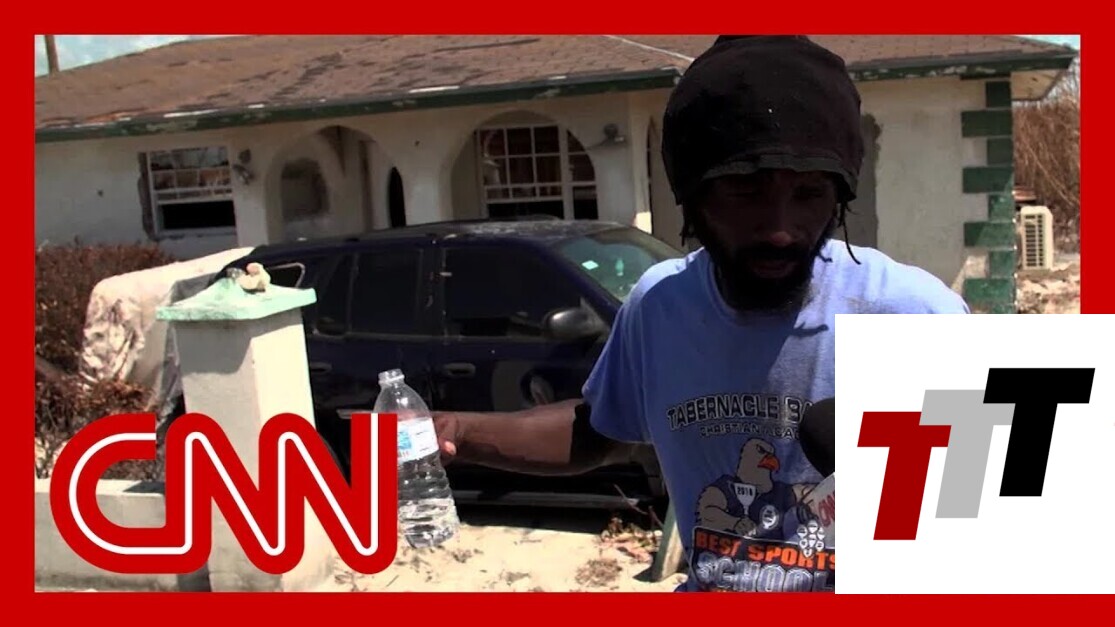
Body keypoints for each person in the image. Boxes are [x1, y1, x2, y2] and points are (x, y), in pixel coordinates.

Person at [430, 35, 970, 592]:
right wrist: (460, 432)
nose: (780, 229)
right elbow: (599, 430)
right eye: (745, 194)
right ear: (692, 197)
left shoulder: (915, 315)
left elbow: (986, 536)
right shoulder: (660, 305)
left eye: (809, 195)